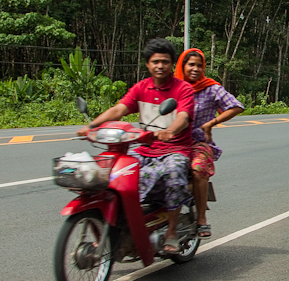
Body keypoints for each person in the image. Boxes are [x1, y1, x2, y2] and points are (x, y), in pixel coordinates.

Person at [77, 38, 194, 255]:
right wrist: (91, 125)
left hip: (175, 149)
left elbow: (184, 117)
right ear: (148, 64)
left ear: (172, 64)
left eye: (165, 62)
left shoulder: (183, 89)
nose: (160, 66)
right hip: (144, 149)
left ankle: (171, 233)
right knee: (114, 174)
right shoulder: (141, 87)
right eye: (155, 61)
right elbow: (118, 110)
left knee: (175, 172)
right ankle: (125, 224)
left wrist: (170, 131)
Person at [174, 47, 244, 238]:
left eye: (199, 65)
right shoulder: (172, 87)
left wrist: (212, 122)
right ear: (182, 65)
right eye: (191, 65)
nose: (195, 69)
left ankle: (202, 219)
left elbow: (237, 106)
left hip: (198, 143)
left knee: (198, 169)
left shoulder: (210, 88)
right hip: (173, 142)